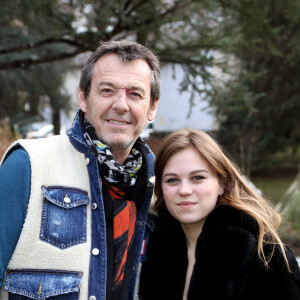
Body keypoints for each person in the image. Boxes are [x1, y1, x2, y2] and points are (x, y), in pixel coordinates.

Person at [0, 40, 160, 300]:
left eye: (135, 94)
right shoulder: (27, 165)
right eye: (107, 90)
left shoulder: (160, 187)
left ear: (152, 107)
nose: (121, 104)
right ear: (83, 97)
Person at [139, 128, 300, 300]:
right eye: (172, 180)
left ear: (222, 183)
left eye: (198, 177)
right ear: (161, 189)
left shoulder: (265, 252)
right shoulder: (154, 247)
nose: (184, 190)